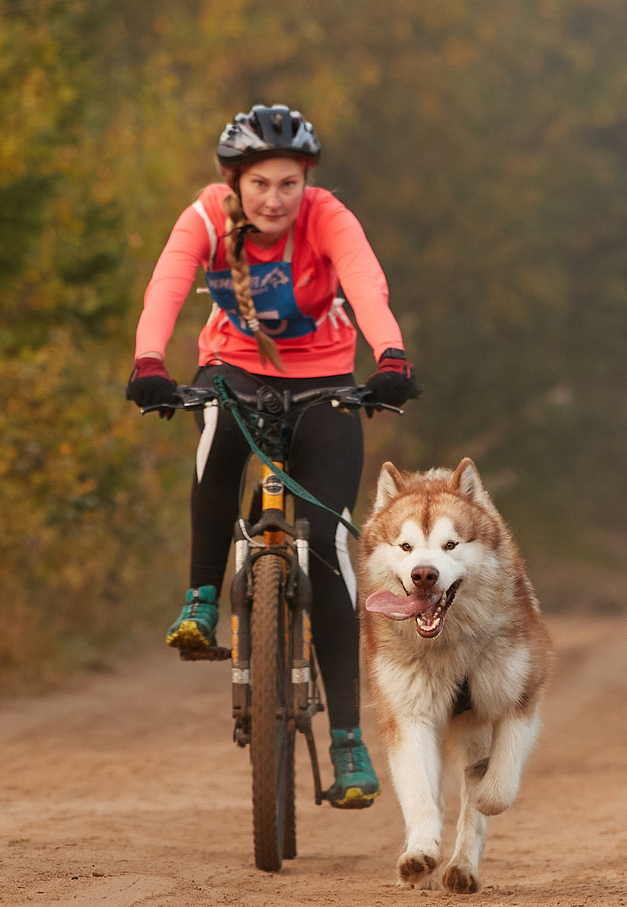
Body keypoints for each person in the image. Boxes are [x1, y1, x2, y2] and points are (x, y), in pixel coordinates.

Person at [124, 105, 419, 810]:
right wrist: (148, 361)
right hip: (234, 369)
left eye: (289, 183)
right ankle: (200, 598)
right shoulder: (204, 217)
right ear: (235, 182)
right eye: (260, 183)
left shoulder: (328, 218)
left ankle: (347, 740)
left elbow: (363, 282)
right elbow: (166, 285)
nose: (275, 199)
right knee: (217, 436)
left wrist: (391, 357)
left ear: (305, 182)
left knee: (326, 541)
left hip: (325, 380)